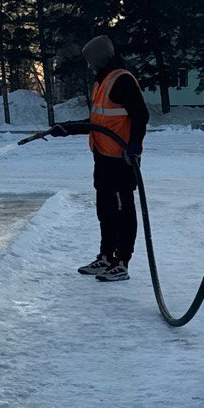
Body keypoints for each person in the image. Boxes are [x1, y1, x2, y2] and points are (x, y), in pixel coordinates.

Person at [49, 35, 149, 282]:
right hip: (103, 156)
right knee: (105, 210)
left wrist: (134, 146)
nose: (88, 65)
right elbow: (98, 122)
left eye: (90, 60)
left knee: (122, 210)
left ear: (99, 58)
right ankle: (106, 255)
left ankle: (122, 261)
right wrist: (69, 128)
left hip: (121, 158)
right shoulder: (101, 81)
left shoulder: (121, 79)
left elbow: (141, 115)